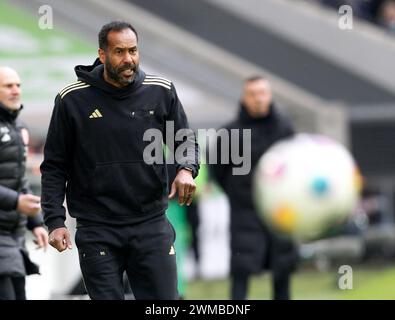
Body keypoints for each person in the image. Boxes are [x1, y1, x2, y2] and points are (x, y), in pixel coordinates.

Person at [40, 21, 199, 300]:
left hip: (151, 224)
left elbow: (184, 141)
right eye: (119, 52)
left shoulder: (161, 91)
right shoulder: (71, 100)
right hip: (97, 229)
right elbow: (54, 166)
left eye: (133, 51)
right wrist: (55, 221)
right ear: (102, 55)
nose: (128, 59)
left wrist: (186, 169)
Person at [210, 76, 298, 300]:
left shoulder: (285, 129)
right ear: (244, 97)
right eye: (253, 94)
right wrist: (240, 195)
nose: (258, 99)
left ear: (269, 96)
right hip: (245, 213)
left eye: (263, 93)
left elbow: (297, 165)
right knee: (241, 272)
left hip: (280, 212)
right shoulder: (228, 133)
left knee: (282, 271)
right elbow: (217, 171)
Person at [0, 66, 48, 300]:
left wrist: (35, 222)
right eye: (8, 85)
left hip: (13, 236)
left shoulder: (19, 127)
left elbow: (19, 180)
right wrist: (16, 201)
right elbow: (17, 195)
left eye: (18, 85)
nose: (16, 90)